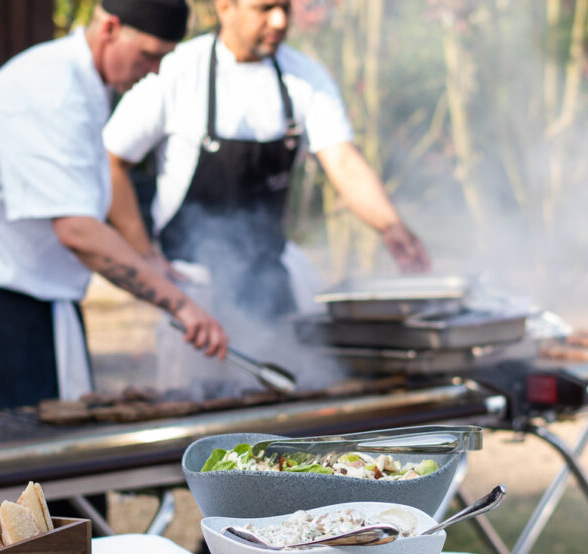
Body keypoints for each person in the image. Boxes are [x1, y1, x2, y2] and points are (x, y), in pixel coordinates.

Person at [0, 0, 227, 417]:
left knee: (49, 474)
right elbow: (77, 230)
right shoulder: (50, 90)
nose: (155, 70)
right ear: (110, 28)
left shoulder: (87, 83)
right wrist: (179, 304)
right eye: (149, 55)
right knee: (0, 476)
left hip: (33, 313)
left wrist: (147, 258)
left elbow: (102, 172)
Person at [101, 0, 430, 331]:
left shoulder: (304, 76)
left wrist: (390, 226)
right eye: (265, 8)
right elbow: (112, 161)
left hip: (271, 273)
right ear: (226, 8)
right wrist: (144, 255)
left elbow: (342, 161)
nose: (279, 21)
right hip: (193, 284)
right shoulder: (176, 71)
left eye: (285, 8)